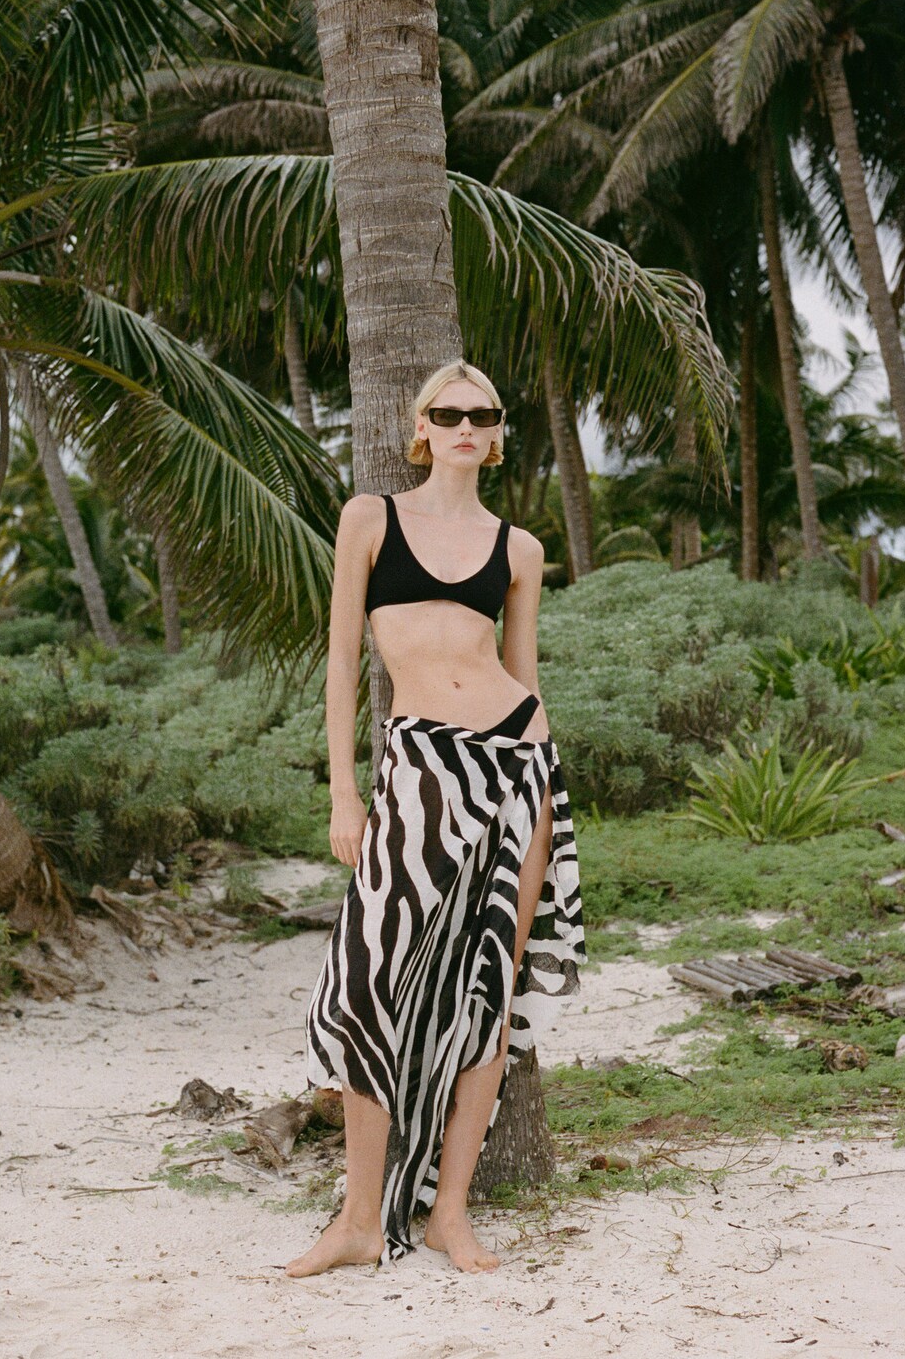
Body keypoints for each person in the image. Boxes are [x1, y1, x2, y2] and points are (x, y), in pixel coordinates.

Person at [284, 359, 586, 1278]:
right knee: (375, 982)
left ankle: (452, 1214)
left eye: (481, 414)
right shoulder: (369, 518)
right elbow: (342, 663)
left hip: (516, 768)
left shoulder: (521, 549)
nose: (464, 425)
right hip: (416, 765)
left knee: (486, 994)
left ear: (497, 436)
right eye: (447, 412)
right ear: (421, 427)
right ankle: (359, 1220)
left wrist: (543, 792)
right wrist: (345, 789)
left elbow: (525, 676)